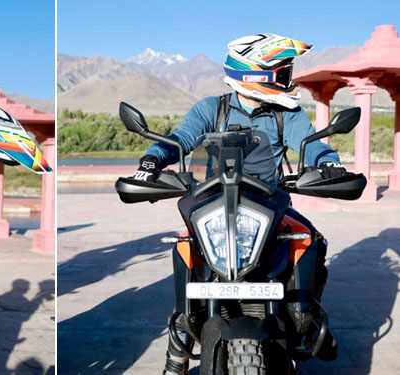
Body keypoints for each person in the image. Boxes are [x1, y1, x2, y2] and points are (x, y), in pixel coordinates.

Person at [130, 34, 343, 375]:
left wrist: (328, 162)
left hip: (268, 204)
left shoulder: (284, 113)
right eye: (282, 72)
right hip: (214, 202)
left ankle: (309, 316)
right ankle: (180, 339)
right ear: (257, 75)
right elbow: (180, 140)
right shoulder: (210, 109)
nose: (288, 79)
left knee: (311, 240)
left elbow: (309, 143)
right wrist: (153, 159)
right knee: (185, 248)